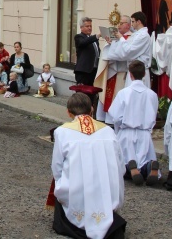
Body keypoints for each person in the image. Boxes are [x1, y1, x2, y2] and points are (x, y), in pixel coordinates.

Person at [51, 92, 126, 239]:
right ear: (92, 109)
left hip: (75, 192)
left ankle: (76, 221)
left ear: (68, 112)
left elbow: (57, 167)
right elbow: (120, 165)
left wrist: (61, 186)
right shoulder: (108, 131)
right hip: (106, 190)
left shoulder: (62, 132)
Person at [108, 61, 159, 186]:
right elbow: (153, 115)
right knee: (145, 158)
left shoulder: (124, 93)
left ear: (130, 75)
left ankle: (130, 167)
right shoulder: (152, 94)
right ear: (143, 74)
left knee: (119, 162)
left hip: (127, 132)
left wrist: (118, 129)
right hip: (144, 134)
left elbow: (115, 116)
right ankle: (149, 167)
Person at [95, 15, 133, 122]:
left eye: (122, 23)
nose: (119, 26)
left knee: (117, 96)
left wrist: (114, 46)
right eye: (118, 23)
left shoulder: (131, 37)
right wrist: (110, 43)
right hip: (112, 72)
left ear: (128, 25)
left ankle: (114, 120)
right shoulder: (118, 37)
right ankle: (105, 118)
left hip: (122, 72)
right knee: (107, 96)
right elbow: (111, 52)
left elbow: (122, 54)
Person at [103, 12, 152, 89]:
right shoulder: (137, 34)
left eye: (132, 21)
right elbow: (125, 47)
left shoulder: (143, 36)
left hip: (140, 72)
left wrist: (120, 37)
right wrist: (112, 42)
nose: (131, 24)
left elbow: (129, 51)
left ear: (138, 22)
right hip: (133, 70)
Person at [74, 16, 101, 86]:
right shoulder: (79, 37)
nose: (90, 28)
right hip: (83, 71)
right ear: (81, 27)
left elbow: (97, 52)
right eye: (87, 26)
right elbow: (83, 42)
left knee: (92, 93)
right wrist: (96, 36)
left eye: (90, 26)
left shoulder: (94, 39)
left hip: (94, 70)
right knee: (82, 94)